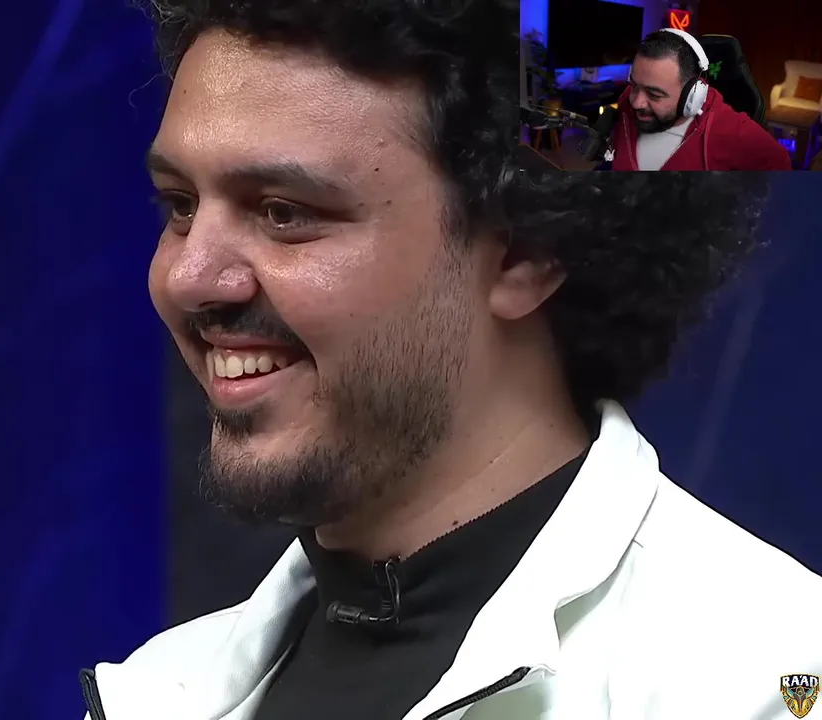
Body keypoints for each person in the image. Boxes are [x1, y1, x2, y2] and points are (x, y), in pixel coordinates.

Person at [80, 1, 822, 718]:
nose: (187, 277)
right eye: (179, 205)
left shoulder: (766, 677)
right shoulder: (155, 690)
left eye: (284, 212)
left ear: (525, 250)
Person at [608, 29, 792, 171]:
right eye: (634, 85)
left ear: (692, 95)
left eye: (654, 94)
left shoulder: (731, 130)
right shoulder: (627, 102)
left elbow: (779, 163)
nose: (636, 103)